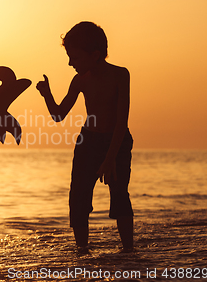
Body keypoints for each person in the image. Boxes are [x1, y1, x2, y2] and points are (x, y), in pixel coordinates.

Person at [36, 21, 134, 253]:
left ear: (95, 54)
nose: (70, 63)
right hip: (88, 142)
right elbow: (59, 115)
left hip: (117, 142)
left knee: (119, 194)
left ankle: (129, 251)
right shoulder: (80, 80)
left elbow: (122, 122)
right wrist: (47, 94)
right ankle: (82, 251)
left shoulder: (120, 76)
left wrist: (110, 160)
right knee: (78, 197)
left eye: (75, 58)